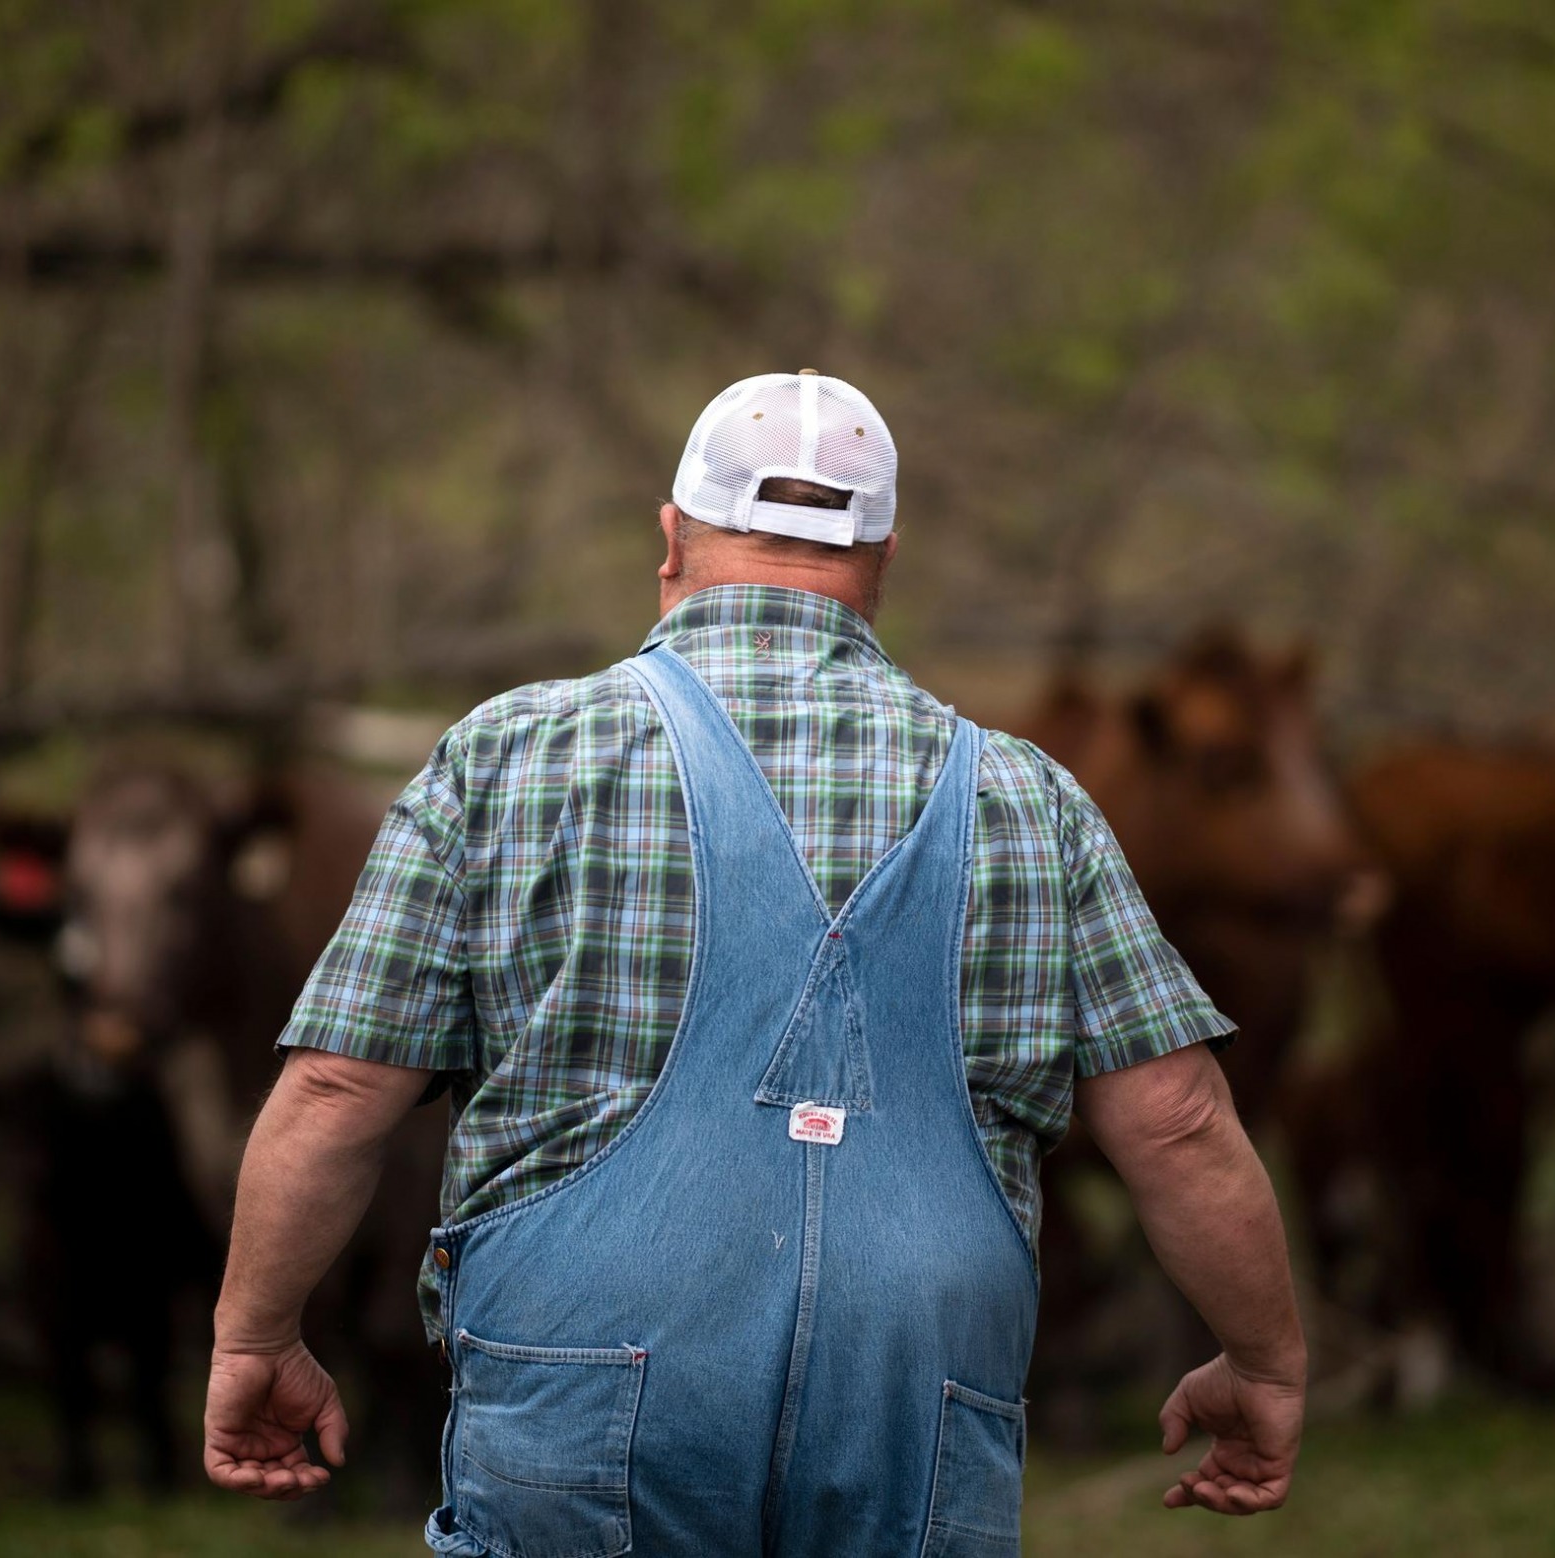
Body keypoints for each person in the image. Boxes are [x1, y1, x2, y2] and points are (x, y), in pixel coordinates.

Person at [204, 371, 1307, 1552]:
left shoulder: (507, 758)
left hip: (583, 1388)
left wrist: (253, 1338)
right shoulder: (1027, 799)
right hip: (914, 1399)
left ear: (670, 538)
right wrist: (1265, 1360)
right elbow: (1181, 1120)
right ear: (881, 559)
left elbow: (333, 1090)